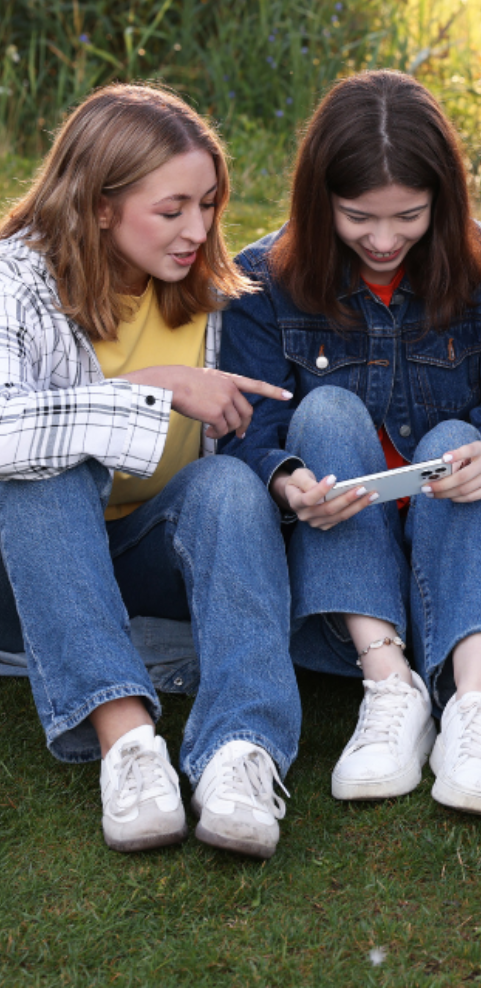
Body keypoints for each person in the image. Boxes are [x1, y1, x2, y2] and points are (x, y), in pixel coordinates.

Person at [220, 71, 481, 818]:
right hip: (343, 578)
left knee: (461, 436)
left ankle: (476, 705)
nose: (384, 239)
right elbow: (250, 434)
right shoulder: (264, 281)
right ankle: (388, 685)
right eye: (358, 217)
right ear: (318, 199)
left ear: (444, 202)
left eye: (409, 217)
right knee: (327, 409)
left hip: (458, 558)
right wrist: (287, 480)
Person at [0, 84, 299, 857]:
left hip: (144, 555)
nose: (197, 230)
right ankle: (127, 744)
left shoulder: (213, 293)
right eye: (172, 211)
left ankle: (241, 754)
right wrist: (154, 388)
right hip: (27, 567)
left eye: (208, 204)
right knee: (46, 468)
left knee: (230, 486)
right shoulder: (18, 282)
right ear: (100, 206)